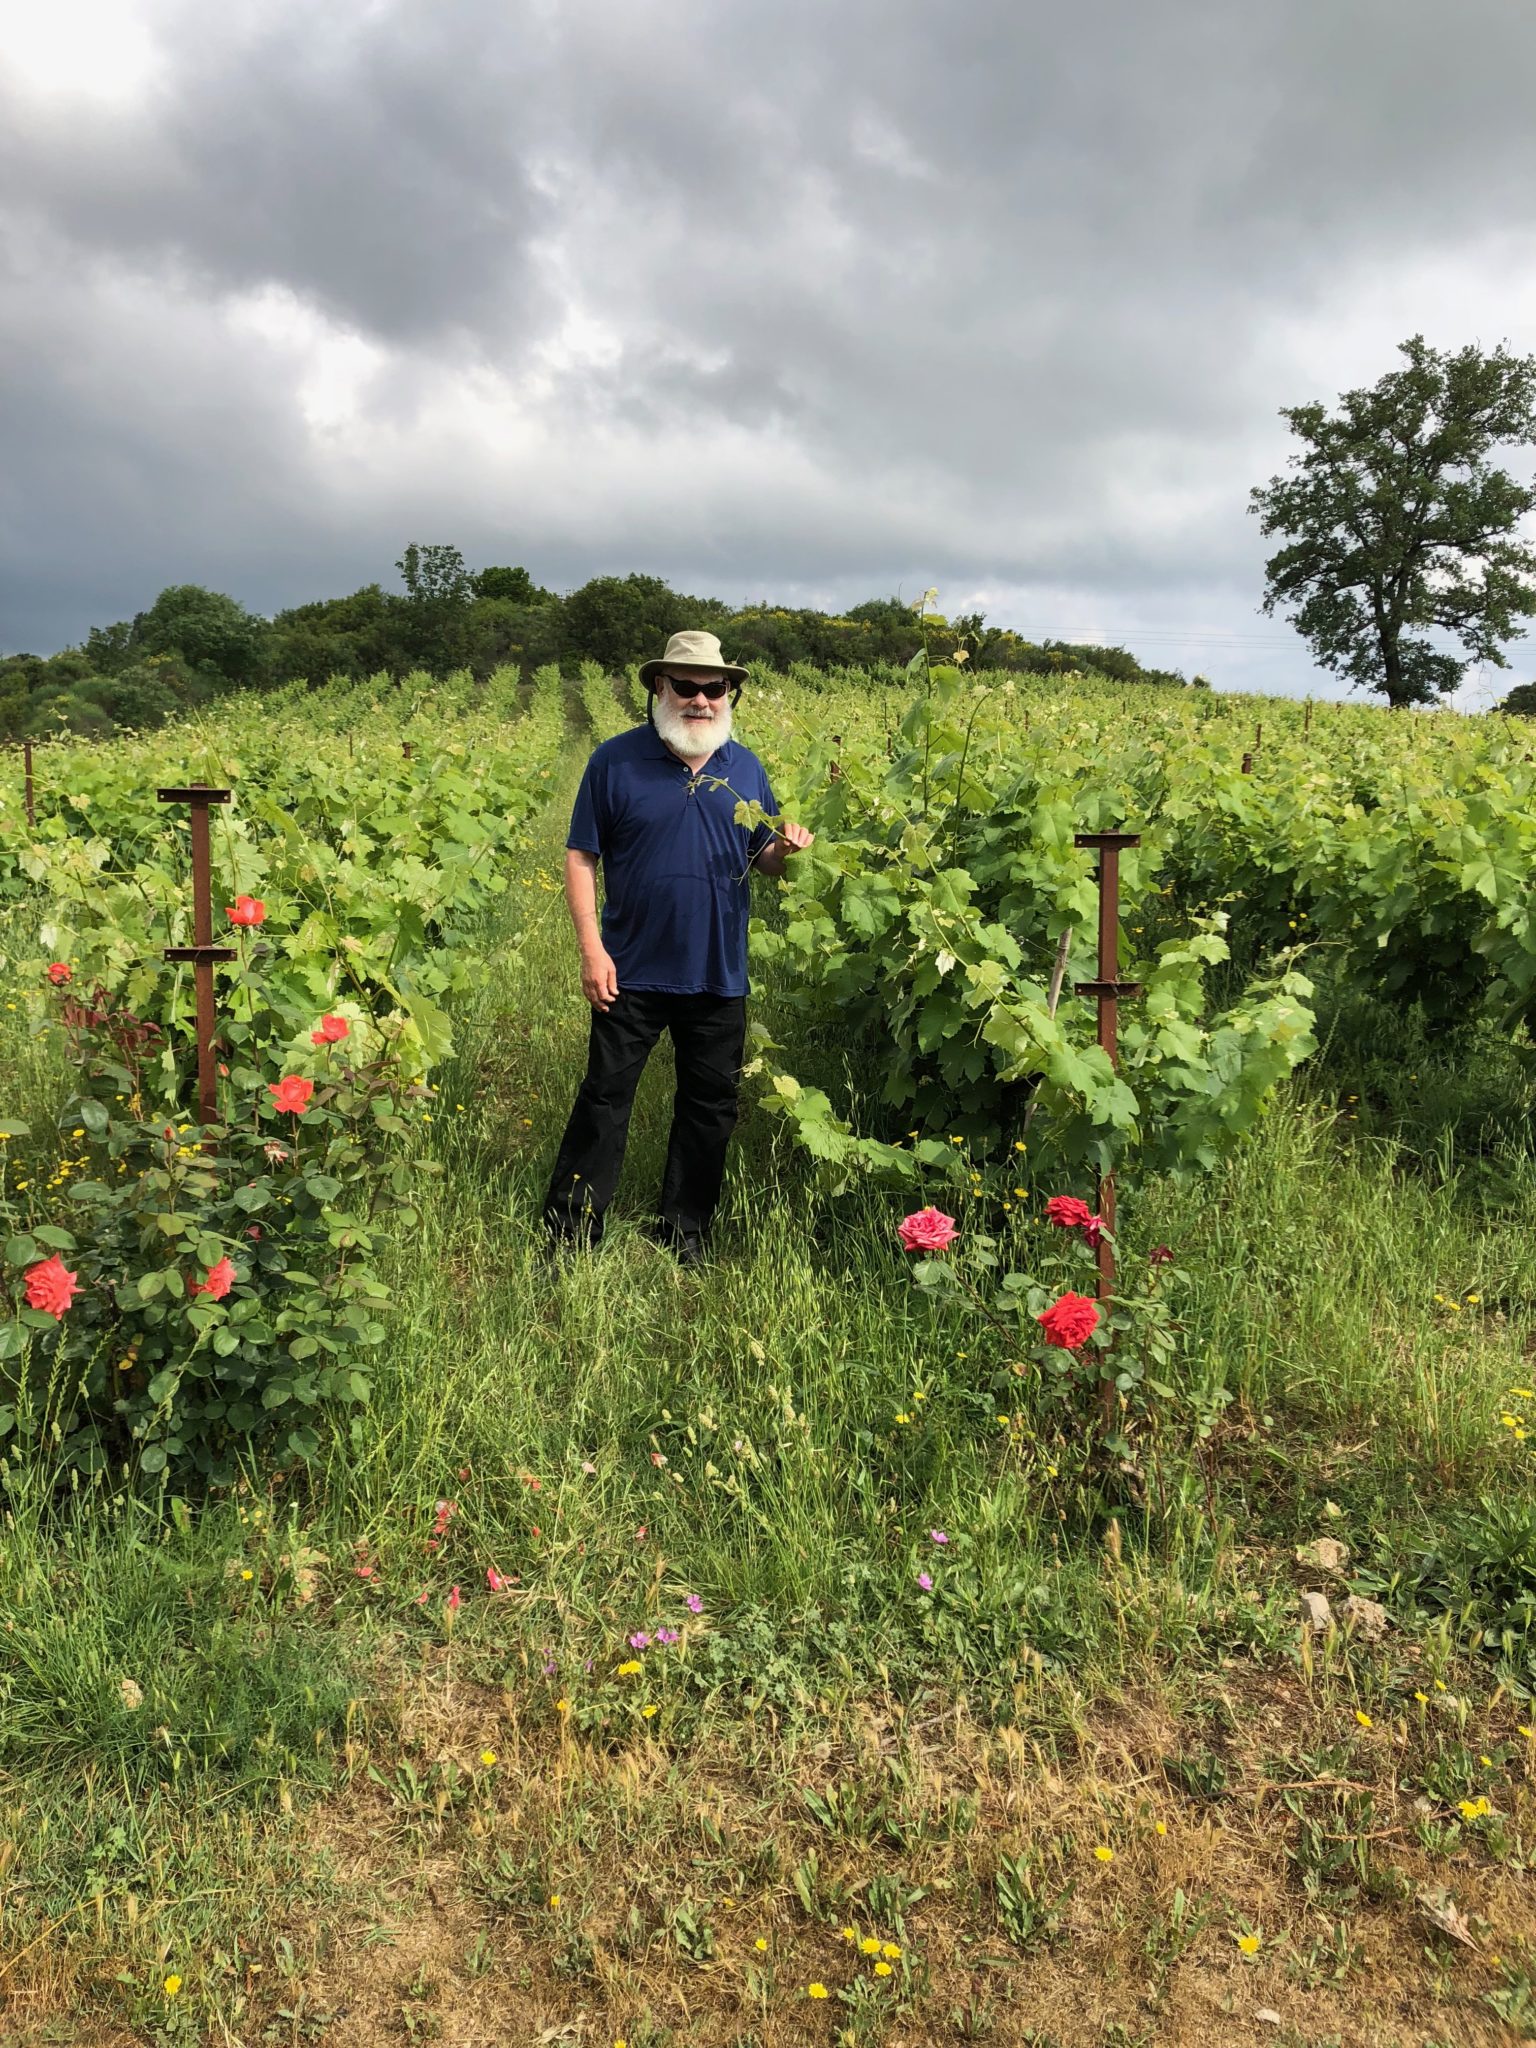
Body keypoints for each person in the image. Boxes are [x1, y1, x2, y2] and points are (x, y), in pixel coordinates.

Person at [541, 630, 814, 1265]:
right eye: (685, 686)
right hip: (629, 969)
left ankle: (684, 1233)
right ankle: (570, 1234)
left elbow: (763, 858)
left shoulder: (744, 768)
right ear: (659, 688)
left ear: (729, 694)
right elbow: (581, 855)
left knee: (710, 1109)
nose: (700, 700)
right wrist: (591, 949)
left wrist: (786, 848)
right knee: (605, 1101)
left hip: (719, 973)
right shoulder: (615, 761)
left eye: (713, 688)